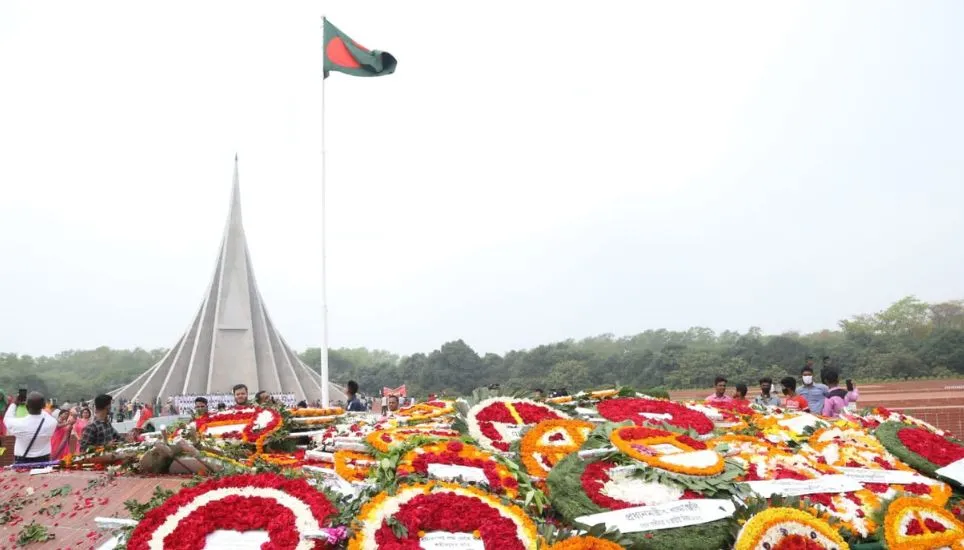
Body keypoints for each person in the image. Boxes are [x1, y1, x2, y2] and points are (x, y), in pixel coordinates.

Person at [4, 391, 57, 464]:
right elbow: (45, 414)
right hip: (43, 460)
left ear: (26, 406)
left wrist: (14, 403)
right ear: (44, 406)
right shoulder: (52, 423)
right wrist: (40, 405)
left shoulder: (19, 424)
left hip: (22, 461)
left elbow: (7, 418)